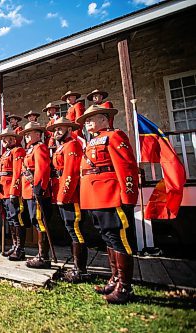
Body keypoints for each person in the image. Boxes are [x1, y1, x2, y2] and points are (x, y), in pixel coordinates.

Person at [76, 105, 139, 304]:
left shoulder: (115, 136)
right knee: (107, 237)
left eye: (91, 118)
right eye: (86, 120)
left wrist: (128, 196)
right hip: (95, 195)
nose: (87, 122)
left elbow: (126, 166)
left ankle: (125, 286)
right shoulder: (91, 141)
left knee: (118, 238)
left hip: (110, 194)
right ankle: (115, 279)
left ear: (105, 119)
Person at [47, 117, 87, 282]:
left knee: (75, 230)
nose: (56, 132)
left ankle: (80, 269)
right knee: (71, 230)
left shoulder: (72, 145)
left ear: (69, 130)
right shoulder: (62, 146)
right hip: (61, 192)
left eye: (60, 129)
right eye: (55, 129)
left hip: (71, 195)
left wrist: (64, 195)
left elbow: (70, 172)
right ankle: (76, 267)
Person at [20, 122, 52, 268]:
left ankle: (43, 256)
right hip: (28, 191)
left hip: (36, 191)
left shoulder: (40, 147)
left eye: (29, 133)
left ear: (38, 134)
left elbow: (42, 169)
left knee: (40, 221)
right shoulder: (30, 149)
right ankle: (40, 253)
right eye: (25, 134)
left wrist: (39, 187)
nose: (26, 136)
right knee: (35, 220)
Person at [0, 128, 25, 260]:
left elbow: (17, 172)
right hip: (4, 190)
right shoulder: (5, 154)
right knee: (10, 218)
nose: (4, 141)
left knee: (16, 218)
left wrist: (14, 190)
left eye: (6, 138)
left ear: (13, 139)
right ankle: (14, 245)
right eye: (2, 139)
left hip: (11, 189)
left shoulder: (17, 150)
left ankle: (20, 248)